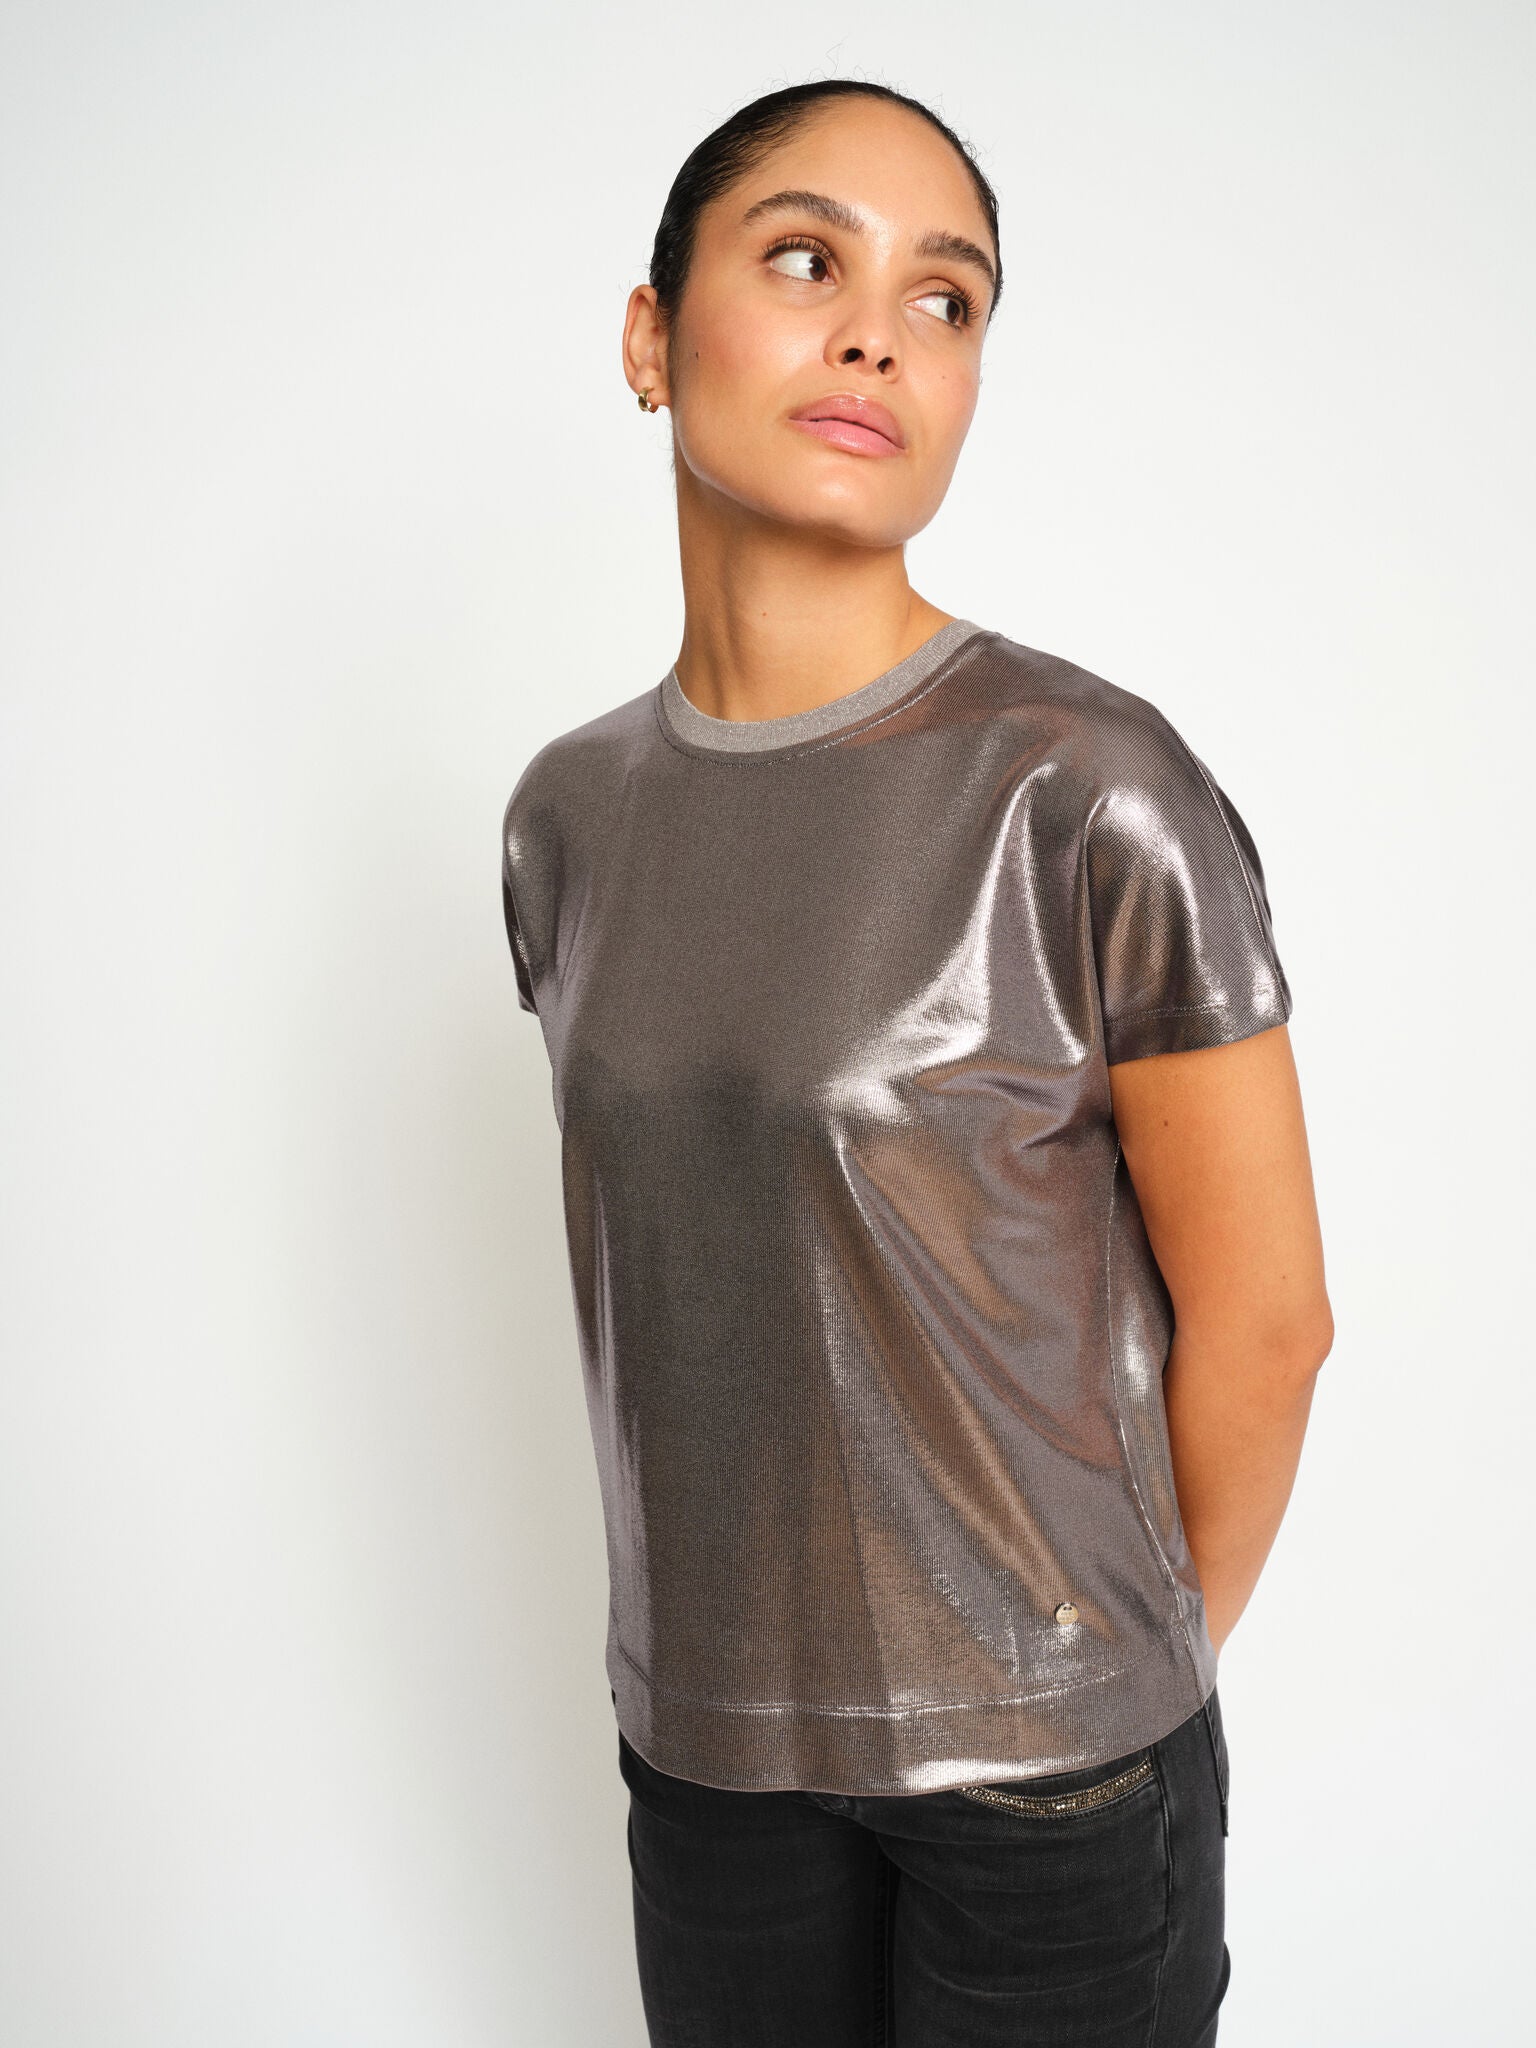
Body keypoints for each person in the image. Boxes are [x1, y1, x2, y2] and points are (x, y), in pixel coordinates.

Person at [500, 76, 1332, 2048]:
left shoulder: (1084, 785)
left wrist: (1096, 1693)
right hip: (706, 1756)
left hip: (1049, 1793)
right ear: (650, 336)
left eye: (944, 300)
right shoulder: (567, 818)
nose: (879, 334)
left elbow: (1271, 1323)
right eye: (807, 262)